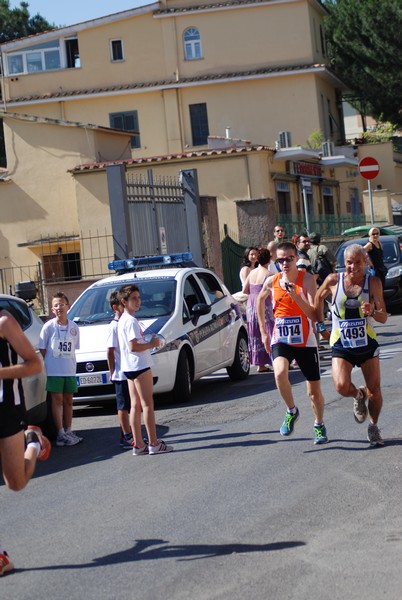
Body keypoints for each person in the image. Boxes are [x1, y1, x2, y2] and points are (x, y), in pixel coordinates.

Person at [315, 243, 387, 447]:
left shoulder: (372, 282)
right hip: (341, 343)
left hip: (366, 343)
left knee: (375, 389)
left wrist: (372, 311)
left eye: (357, 262)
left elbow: (383, 317)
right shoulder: (333, 280)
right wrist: (321, 327)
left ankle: (373, 427)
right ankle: (358, 394)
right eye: (349, 263)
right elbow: (317, 300)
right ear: (342, 263)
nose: (353, 267)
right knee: (340, 386)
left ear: (365, 262)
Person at [256, 242, 328, 445]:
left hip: (305, 339)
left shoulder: (307, 281)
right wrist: (263, 332)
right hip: (282, 338)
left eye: (288, 258)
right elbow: (259, 301)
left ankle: (319, 424)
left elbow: (315, 314)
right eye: (280, 260)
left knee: (313, 392)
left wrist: (296, 297)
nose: (284, 263)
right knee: (279, 373)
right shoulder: (272, 281)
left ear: (296, 258)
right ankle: (291, 410)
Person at [0, 308, 51, 577]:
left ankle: (34, 442)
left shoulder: (4, 322)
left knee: (15, 483)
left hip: (7, 408)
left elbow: (34, 364)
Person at [118, 284, 173, 455]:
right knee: (147, 404)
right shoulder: (131, 321)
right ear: (124, 301)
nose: (137, 301)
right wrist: (153, 344)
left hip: (129, 367)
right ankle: (154, 443)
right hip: (139, 365)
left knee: (135, 406)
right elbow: (133, 346)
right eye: (133, 298)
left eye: (138, 297)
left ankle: (139, 444)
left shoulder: (122, 320)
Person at [39, 292, 83, 447]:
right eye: (56, 305)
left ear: (68, 307)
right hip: (54, 370)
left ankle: (69, 430)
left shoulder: (74, 327)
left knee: (69, 401)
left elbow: (74, 348)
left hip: (69, 369)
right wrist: (51, 362)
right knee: (57, 401)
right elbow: (43, 349)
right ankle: (60, 433)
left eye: (62, 304)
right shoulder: (48, 327)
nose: (59, 308)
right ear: (52, 309)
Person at [106, 291, 134, 449]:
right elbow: (110, 351)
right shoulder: (114, 326)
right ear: (115, 307)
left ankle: (130, 432)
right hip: (120, 373)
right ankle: (126, 435)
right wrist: (112, 371)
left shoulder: (125, 323)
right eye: (122, 304)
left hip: (129, 370)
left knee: (130, 405)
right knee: (123, 406)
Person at [242, 247, 274, 373]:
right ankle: (273, 358)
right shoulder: (269, 275)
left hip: (251, 304)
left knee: (255, 332)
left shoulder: (252, 273)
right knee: (268, 329)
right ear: (269, 260)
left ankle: (260, 364)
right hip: (264, 304)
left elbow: (245, 290)